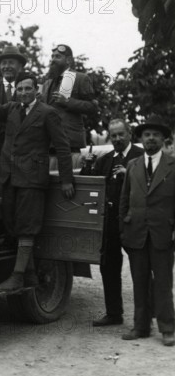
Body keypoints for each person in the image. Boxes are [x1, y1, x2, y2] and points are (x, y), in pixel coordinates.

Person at [0, 72, 74, 292]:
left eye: (27, 89)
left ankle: (18, 276)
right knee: (12, 225)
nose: (23, 93)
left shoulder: (48, 113)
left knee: (26, 228)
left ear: (36, 90)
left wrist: (67, 179)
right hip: (8, 177)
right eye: (19, 89)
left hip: (32, 179)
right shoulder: (11, 108)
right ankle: (29, 275)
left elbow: (62, 146)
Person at [80, 118, 144, 326]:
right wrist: (88, 166)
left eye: (121, 134)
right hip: (109, 223)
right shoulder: (105, 159)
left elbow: (152, 186)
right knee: (108, 267)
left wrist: (130, 174)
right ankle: (114, 314)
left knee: (140, 268)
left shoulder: (141, 157)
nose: (117, 139)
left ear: (129, 134)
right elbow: (90, 185)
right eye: (113, 135)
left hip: (133, 222)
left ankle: (145, 318)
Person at [119, 114, 175, 346]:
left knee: (163, 282)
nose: (151, 138)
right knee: (139, 281)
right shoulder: (132, 165)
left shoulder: (173, 165)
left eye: (156, 135)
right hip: (137, 233)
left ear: (164, 139)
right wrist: (124, 227)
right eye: (147, 135)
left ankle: (167, 328)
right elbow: (124, 200)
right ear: (141, 139)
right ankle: (140, 327)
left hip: (163, 233)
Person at [40, 44, 96, 158]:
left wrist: (67, 101)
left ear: (69, 60)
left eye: (57, 56)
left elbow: (93, 107)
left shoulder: (80, 78)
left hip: (69, 143)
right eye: (52, 56)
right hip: (48, 143)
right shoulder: (47, 84)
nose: (53, 60)